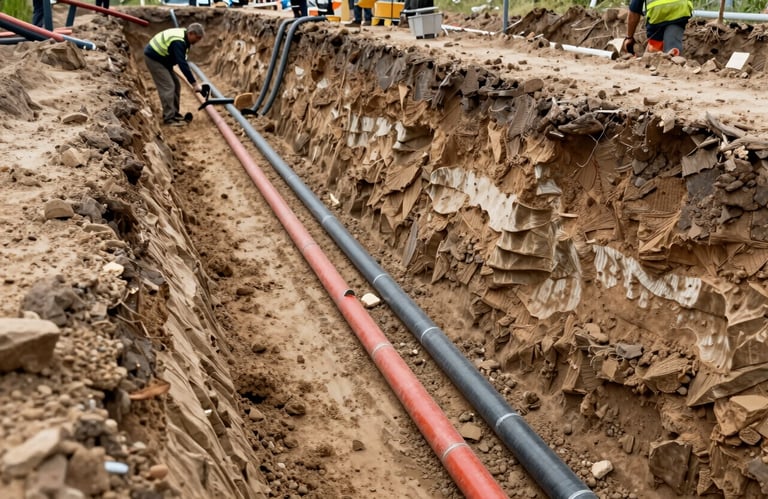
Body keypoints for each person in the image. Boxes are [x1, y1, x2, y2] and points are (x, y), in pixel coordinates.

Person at [143, 23, 205, 127]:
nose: (198, 41)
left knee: (176, 85)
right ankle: (169, 118)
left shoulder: (184, 38)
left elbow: (179, 60)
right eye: (197, 38)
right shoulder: (178, 42)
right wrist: (194, 84)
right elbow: (182, 64)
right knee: (168, 86)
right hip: (154, 59)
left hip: (163, 59)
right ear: (191, 33)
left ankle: (174, 114)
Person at [623, 0, 692, 57]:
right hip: (680, 9)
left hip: (658, 13)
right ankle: (674, 59)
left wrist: (629, 37)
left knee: (654, 50)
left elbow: (634, 12)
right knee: (673, 42)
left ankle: (654, 59)